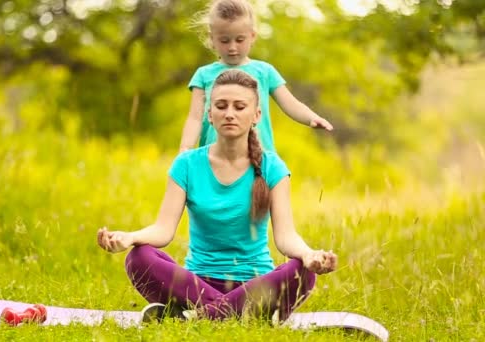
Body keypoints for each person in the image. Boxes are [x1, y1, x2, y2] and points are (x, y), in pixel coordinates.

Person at [97, 69, 337, 322]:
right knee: (139, 257)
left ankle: (196, 318)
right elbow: (163, 230)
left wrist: (309, 255)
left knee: (303, 272)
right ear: (209, 115)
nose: (230, 113)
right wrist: (129, 237)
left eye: (239, 106)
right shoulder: (186, 165)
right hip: (194, 286)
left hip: (256, 284)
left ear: (256, 115)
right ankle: (231, 314)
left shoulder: (272, 167)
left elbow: (286, 237)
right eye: (221, 106)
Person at [179, 0, 333, 154]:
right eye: (224, 40)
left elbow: (290, 103)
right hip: (214, 159)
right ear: (212, 38)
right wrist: (185, 147)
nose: (232, 47)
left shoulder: (265, 71)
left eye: (240, 40)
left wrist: (312, 118)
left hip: (257, 159)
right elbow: (195, 118)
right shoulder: (203, 75)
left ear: (252, 36)